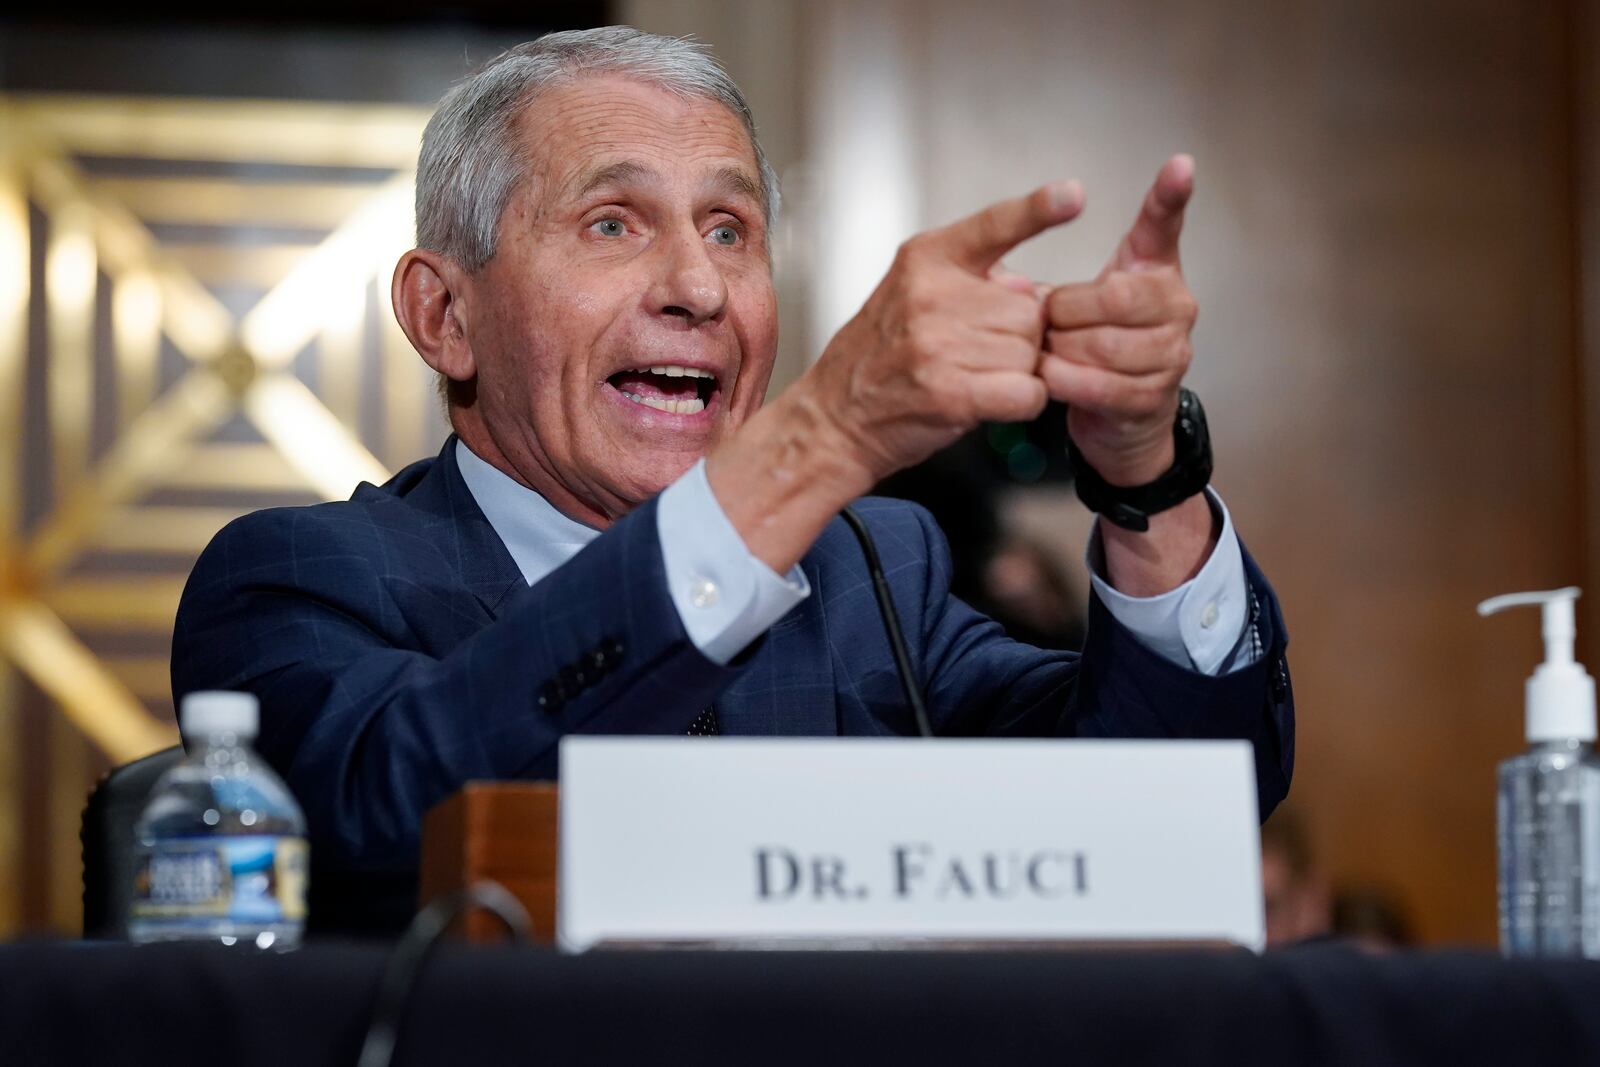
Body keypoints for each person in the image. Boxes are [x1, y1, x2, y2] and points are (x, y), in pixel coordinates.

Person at [172, 27, 1294, 934]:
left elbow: (1164, 806)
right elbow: (394, 818)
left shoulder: (871, 571)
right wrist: (821, 438)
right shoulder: (299, 580)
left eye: (730, 228)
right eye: (612, 221)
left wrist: (1145, 471)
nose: (697, 288)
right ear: (442, 313)